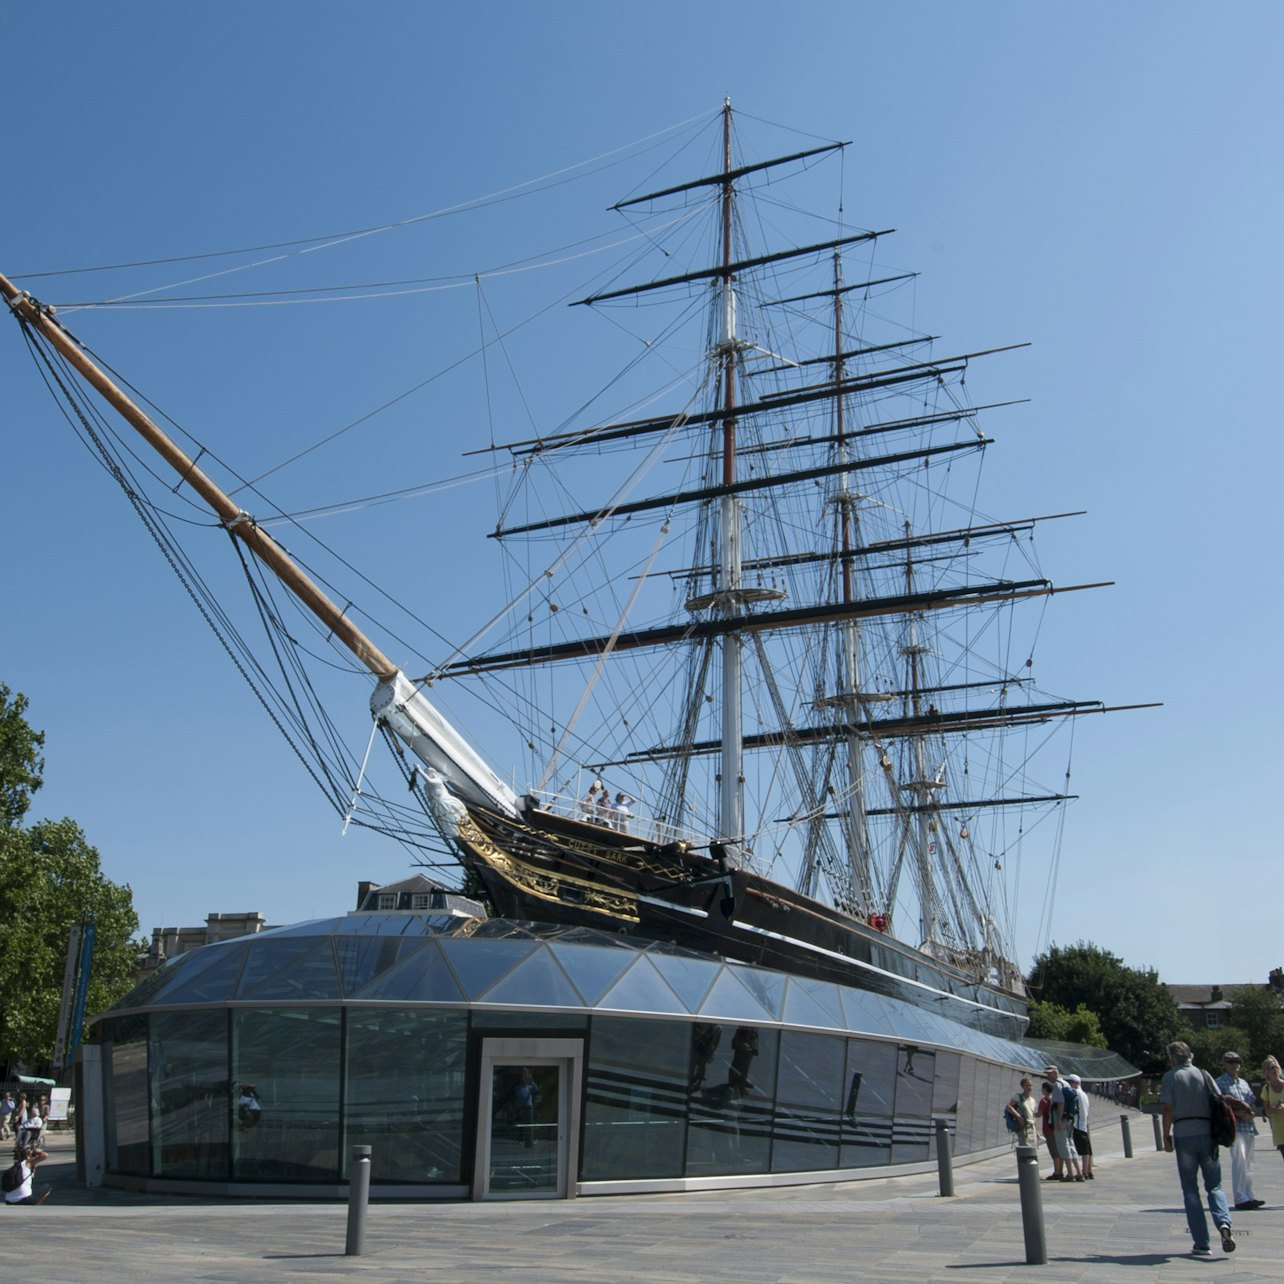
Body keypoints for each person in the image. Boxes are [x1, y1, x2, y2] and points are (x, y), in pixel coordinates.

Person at [1161, 1040, 1235, 1257]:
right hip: (1207, 1134)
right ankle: (1223, 1223)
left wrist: (1166, 1136)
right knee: (1215, 1185)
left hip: (1184, 1134)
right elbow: (1219, 1100)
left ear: (1172, 1058)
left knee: (1191, 1190)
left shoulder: (1171, 1077)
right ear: (1190, 1056)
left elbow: (1167, 1109)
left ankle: (1202, 1242)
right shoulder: (1204, 1075)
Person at [1215, 1051, 1262, 1209]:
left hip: (1248, 1127)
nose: (1235, 1065)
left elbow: (1251, 1101)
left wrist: (1252, 1112)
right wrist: (1237, 1114)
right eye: (1231, 1062)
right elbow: (1219, 1107)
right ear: (1225, 1064)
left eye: (1237, 1062)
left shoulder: (1243, 1083)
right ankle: (1240, 1197)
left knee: (1249, 1162)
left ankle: (1249, 1194)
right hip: (1234, 1127)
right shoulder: (1220, 1083)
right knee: (1239, 1161)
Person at [1044, 1064, 1082, 1181]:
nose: (1048, 1076)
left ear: (1056, 1073)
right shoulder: (1065, 1083)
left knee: (1063, 1146)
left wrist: (1059, 1120)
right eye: (1047, 1074)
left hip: (1061, 1120)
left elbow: (1060, 1103)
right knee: (1070, 1145)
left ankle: (1070, 1174)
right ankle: (1079, 1173)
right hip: (1069, 1119)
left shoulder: (1057, 1085)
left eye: (1050, 1073)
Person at [1066, 1073, 1094, 1179]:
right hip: (1084, 1123)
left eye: (1071, 1083)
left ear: (1075, 1083)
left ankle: (1084, 1171)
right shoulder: (1084, 1094)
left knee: (1083, 1149)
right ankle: (1088, 1170)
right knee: (1087, 1148)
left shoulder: (1076, 1093)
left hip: (1078, 1124)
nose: (1070, 1085)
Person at [1261, 1055, 1284, 1165]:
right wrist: (1273, 1109)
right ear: (1266, 1072)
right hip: (1279, 1132)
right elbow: (1266, 1111)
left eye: (1276, 1067)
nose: (1275, 1070)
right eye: (1271, 1068)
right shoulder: (1266, 1089)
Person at [1006, 1077, 1039, 1151]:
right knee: (1025, 1149)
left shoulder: (1033, 1100)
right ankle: (1025, 1162)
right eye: (1026, 1085)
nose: (1029, 1087)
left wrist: (1037, 1131)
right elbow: (1008, 1107)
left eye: (1030, 1085)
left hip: (1032, 1128)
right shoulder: (1018, 1097)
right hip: (1024, 1127)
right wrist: (1019, 1116)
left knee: (1033, 1150)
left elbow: (1033, 1116)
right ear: (1023, 1087)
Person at [1036, 1080, 1057, 1175]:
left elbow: (1039, 1114)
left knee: (1053, 1151)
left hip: (1048, 1129)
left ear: (1044, 1089)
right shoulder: (1054, 1099)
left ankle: (1057, 1172)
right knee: (1057, 1150)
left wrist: (1029, 1114)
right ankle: (1059, 1170)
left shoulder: (1043, 1101)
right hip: (1056, 1128)